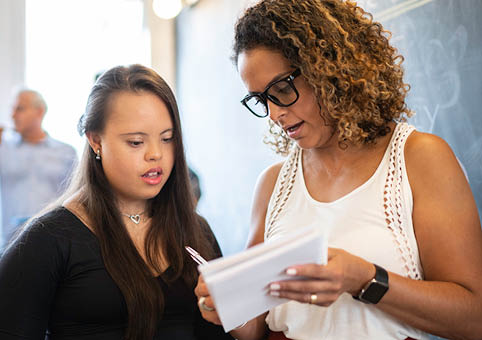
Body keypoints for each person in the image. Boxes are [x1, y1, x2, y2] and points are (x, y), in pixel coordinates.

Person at [195, 1, 482, 339]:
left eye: (282, 89)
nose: (273, 113)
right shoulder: (273, 184)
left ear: (329, 69)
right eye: (260, 100)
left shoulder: (419, 159)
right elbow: (256, 326)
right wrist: (223, 305)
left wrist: (365, 279)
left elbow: (473, 318)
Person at [0, 65, 234, 340]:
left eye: (167, 139)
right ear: (95, 140)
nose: (156, 154)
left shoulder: (196, 232)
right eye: (136, 142)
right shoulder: (48, 239)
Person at [0, 89, 77, 250]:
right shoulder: (3, 149)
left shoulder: (66, 152)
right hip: (8, 243)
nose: (13, 115)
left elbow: (75, 197)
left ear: (39, 112)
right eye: (12, 110)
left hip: (53, 241)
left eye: (20, 109)